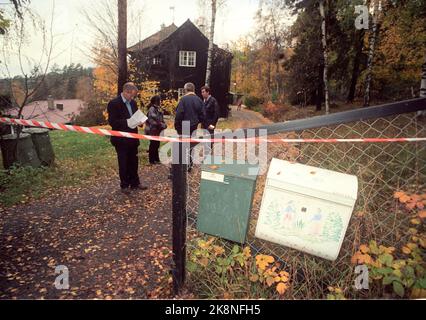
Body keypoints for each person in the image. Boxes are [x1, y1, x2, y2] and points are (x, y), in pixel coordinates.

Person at [107, 82, 147, 194]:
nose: (132, 97)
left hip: (133, 138)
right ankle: (124, 185)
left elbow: (136, 116)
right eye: (131, 95)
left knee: (134, 161)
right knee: (123, 162)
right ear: (126, 92)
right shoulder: (114, 103)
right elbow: (112, 122)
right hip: (121, 139)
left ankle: (135, 182)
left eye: (133, 95)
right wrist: (127, 122)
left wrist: (140, 122)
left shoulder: (133, 103)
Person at [174, 82, 204, 171]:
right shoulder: (199, 100)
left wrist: (177, 127)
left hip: (184, 125)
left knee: (182, 146)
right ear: (193, 90)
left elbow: (179, 114)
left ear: (186, 90)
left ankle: (182, 166)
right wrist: (197, 122)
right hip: (194, 125)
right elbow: (202, 115)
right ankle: (189, 165)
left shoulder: (183, 99)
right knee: (191, 146)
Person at [145, 95, 167, 165]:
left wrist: (163, 124)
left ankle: (156, 159)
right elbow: (153, 119)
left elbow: (160, 119)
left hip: (157, 130)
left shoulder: (157, 109)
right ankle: (151, 160)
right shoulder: (152, 109)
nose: (161, 101)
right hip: (152, 130)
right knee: (153, 145)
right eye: (160, 100)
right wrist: (161, 124)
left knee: (156, 144)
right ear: (156, 101)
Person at [201, 86, 220, 156]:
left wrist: (212, 124)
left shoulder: (213, 100)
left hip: (210, 125)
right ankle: (207, 157)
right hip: (205, 125)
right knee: (206, 141)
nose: (202, 94)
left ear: (208, 92)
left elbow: (217, 113)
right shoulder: (204, 101)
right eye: (201, 92)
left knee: (209, 141)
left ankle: (209, 157)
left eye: (203, 92)